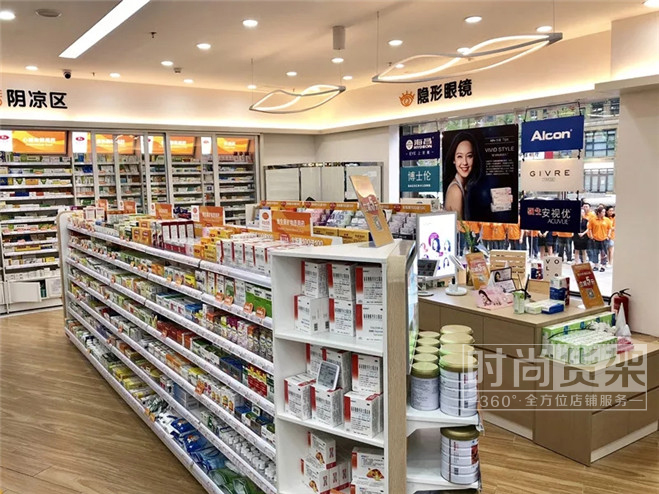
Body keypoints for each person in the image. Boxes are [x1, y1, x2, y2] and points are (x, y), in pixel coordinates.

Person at [443, 132, 480, 220]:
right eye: (459, 156)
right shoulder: (456, 191)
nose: (465, 162)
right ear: (453, 159)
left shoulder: (465, 186)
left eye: (469, 156)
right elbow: (460, 227)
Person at [588, 206, 612, 271]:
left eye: (604, 212)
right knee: (595, 252)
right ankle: (596, 265)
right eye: (603, 212)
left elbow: (610, 228)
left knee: (603, 253)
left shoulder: (607, 220)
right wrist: (591, 236)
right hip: (595, 239)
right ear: (598, 213)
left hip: (604, 239)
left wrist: (608, 235)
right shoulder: (593, 219)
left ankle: (603, 266)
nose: (604, 213)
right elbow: (590, 228)